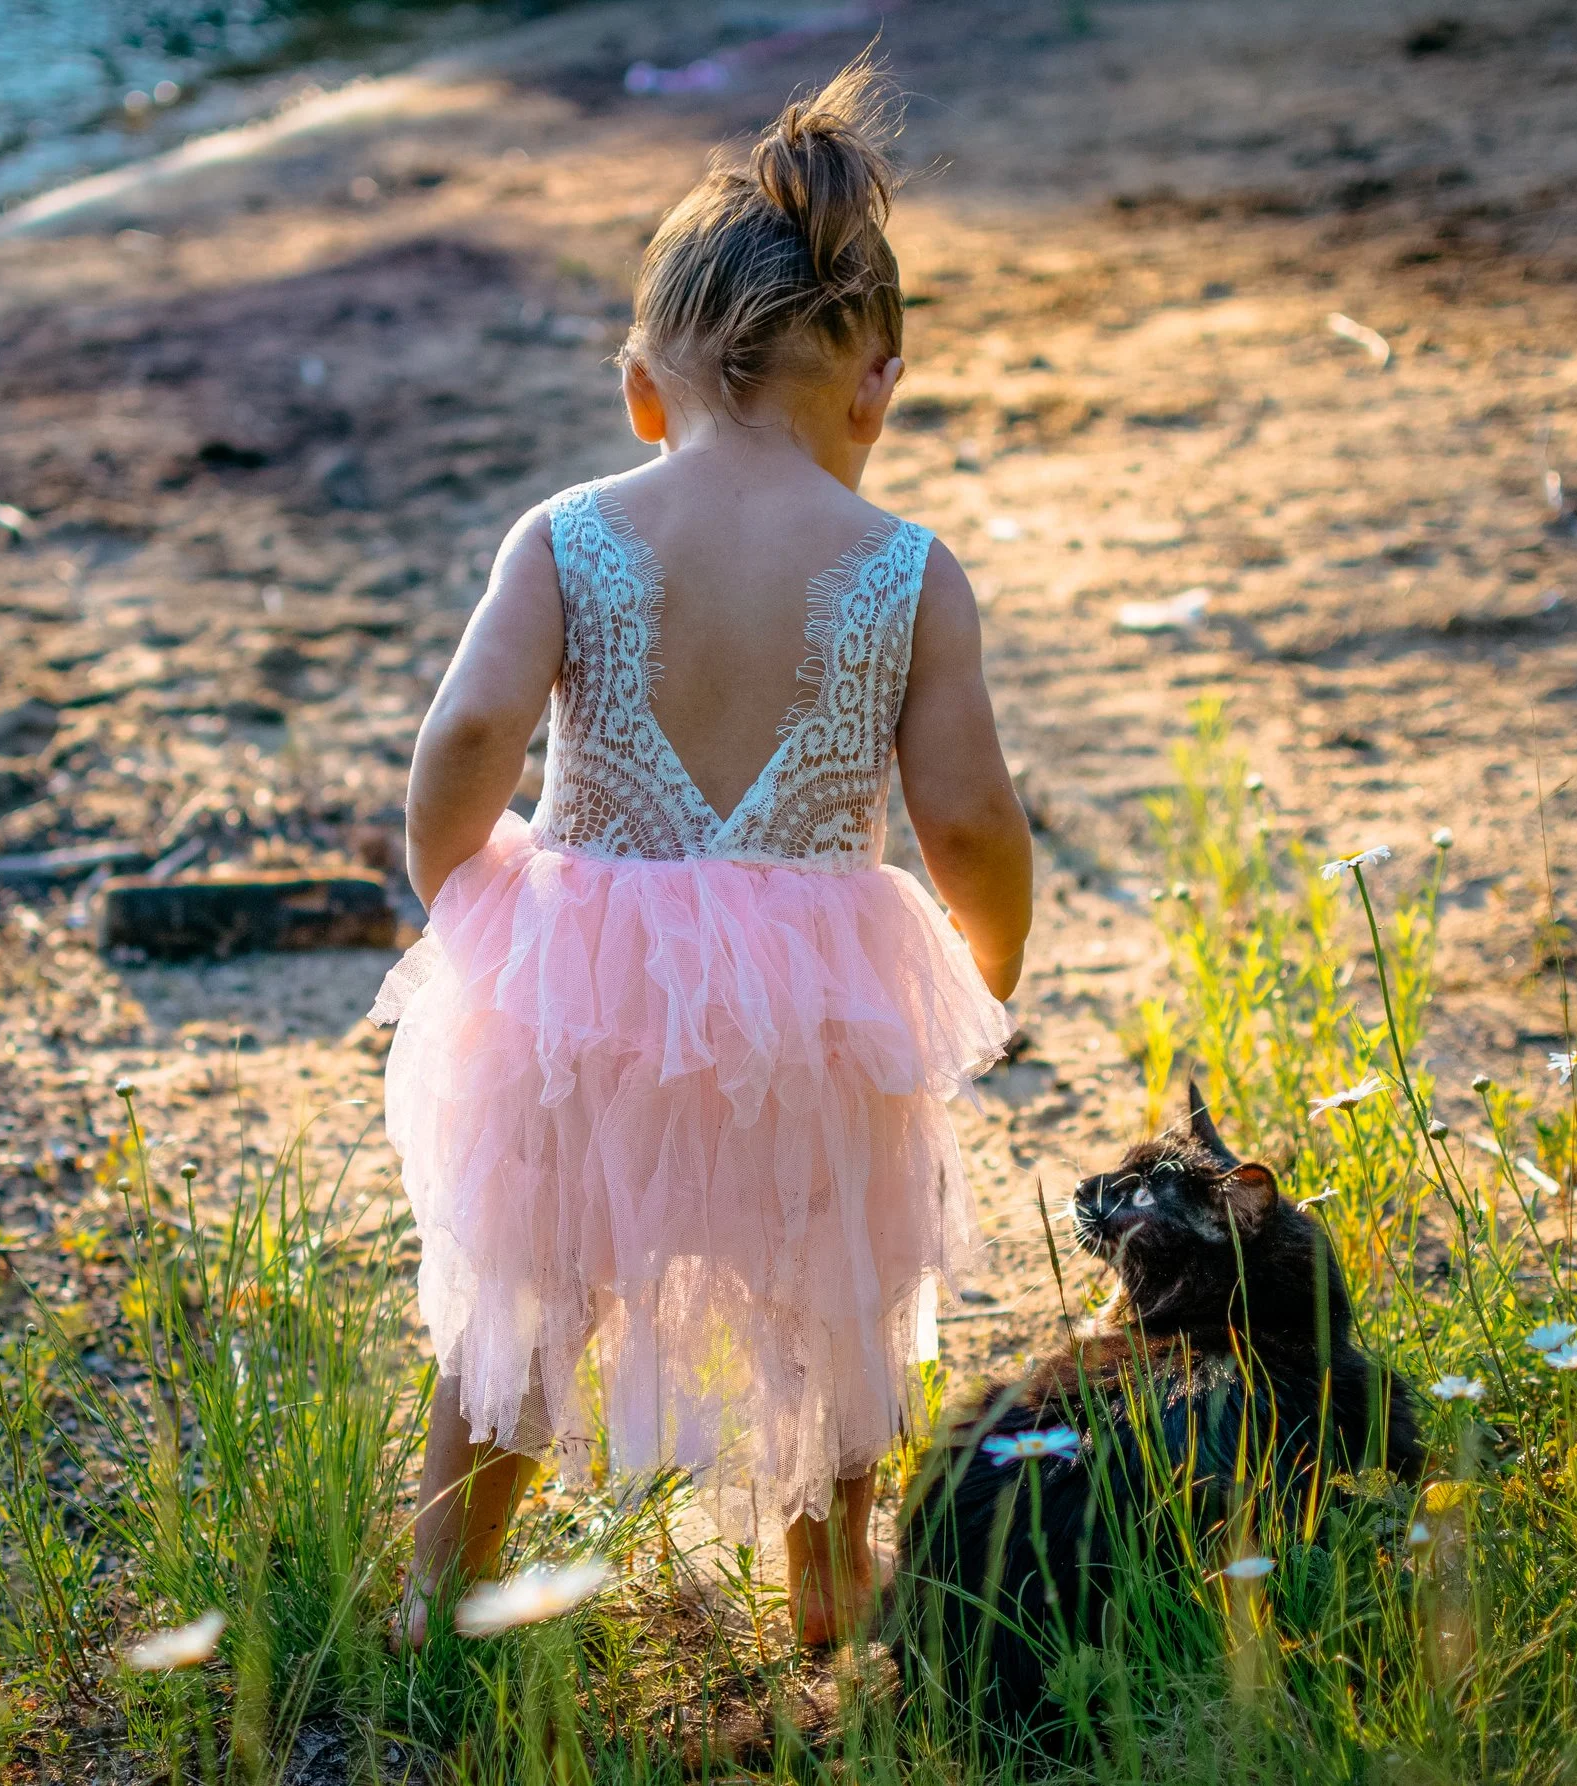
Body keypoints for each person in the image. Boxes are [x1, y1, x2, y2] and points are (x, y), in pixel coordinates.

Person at [372, 56, 1032, 1650]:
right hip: (810, 1000)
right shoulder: (907, 570)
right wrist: (979, 967)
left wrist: (462, 886)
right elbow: (965, 817)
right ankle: (829, 1589)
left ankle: (438, 1588)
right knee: (835, 1301)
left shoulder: (571, 530)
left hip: (582, 980)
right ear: (874, 384)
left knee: (525, 1291)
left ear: (643, 389)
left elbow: (468, 741)